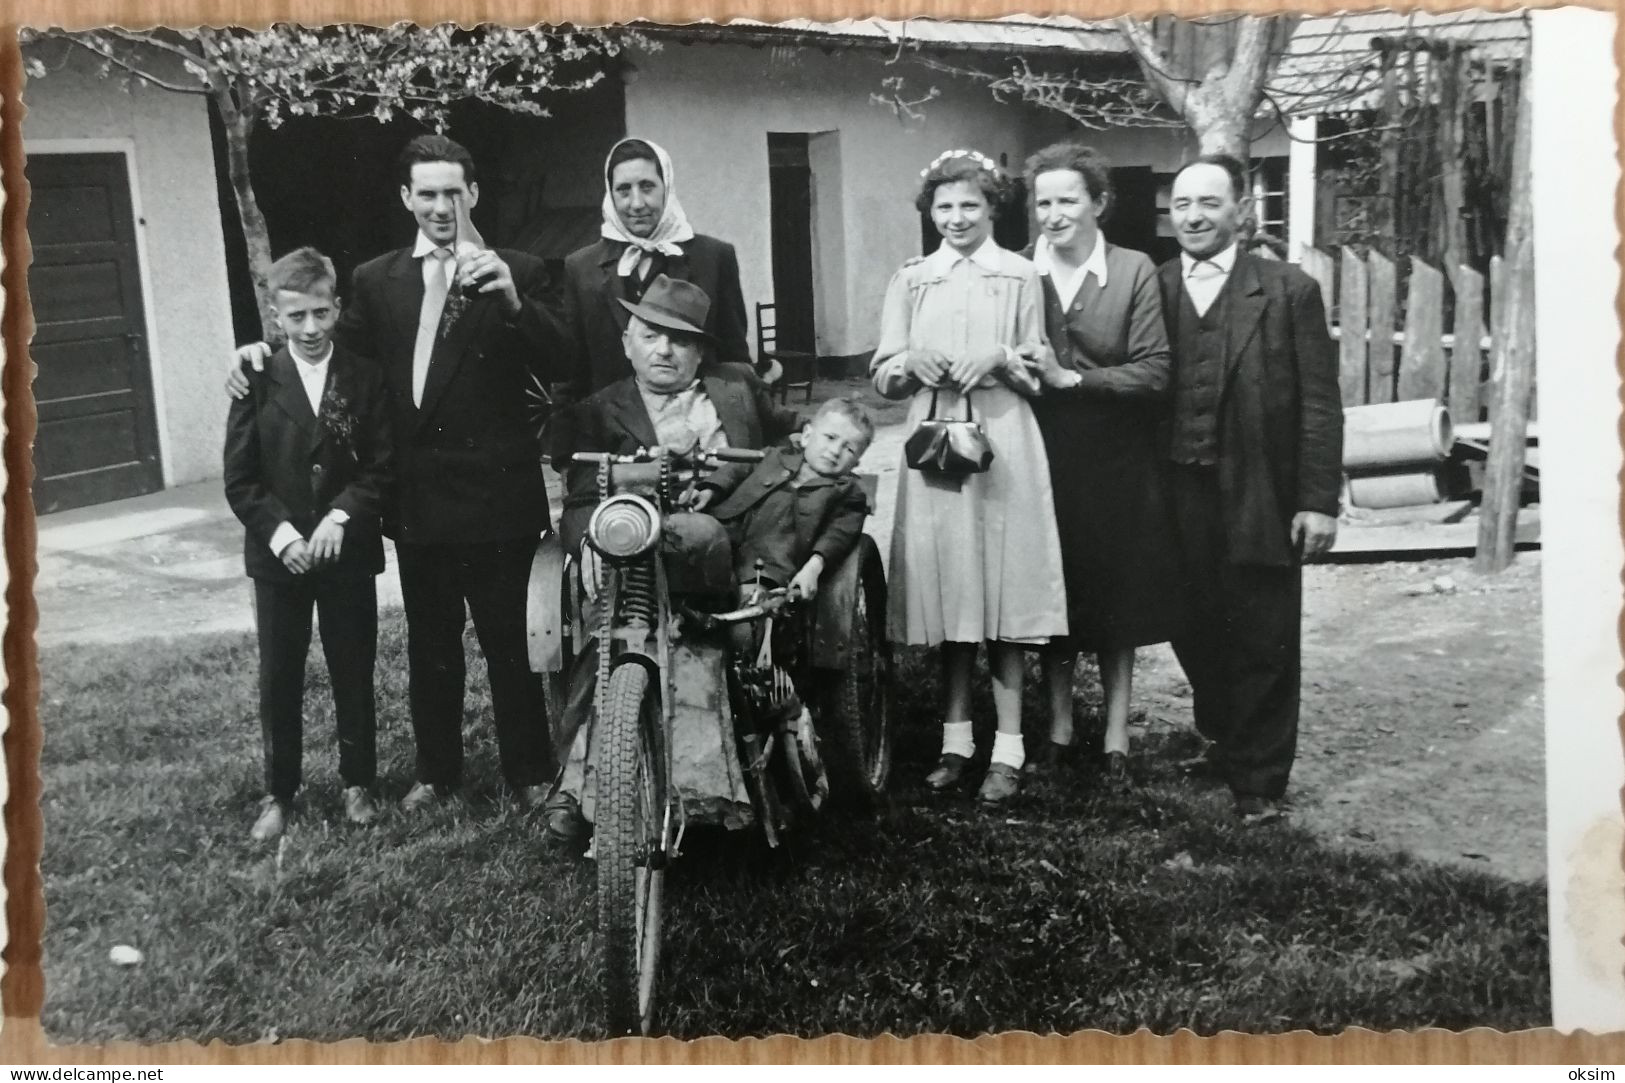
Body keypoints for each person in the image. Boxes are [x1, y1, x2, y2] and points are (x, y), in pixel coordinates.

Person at [227, 134, 567, 812]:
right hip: (420, 499)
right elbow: (327, 354)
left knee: (508, 640)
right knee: (431, 643)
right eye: (427, 193)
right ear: (406, 198)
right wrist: (257, 353)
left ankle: (528, 769)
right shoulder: (377, 279)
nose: (441, 206)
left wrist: (511, 300)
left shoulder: (521, 269)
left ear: (473, 194)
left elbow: (562, 357)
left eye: (453, 192)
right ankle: (436, 772)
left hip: (499, 494)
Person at [545, 273, 799, 843]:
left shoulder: (736, 388)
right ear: (627, 342)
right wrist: (590, 537)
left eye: (681, 339)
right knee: (601, 634)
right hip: (631, 565)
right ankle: (575, 782)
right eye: (651, 335)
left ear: (702, 350)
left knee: (713, 566)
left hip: (729, 561)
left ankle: (755, 760)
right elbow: (580, 496)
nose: (665, 350)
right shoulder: (600, 410)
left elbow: (792, 443)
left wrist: (733, 474)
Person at [871, 148, 1067, 808]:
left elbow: (1040, 368)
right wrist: (909, 359)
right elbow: (882, 371)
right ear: (928, 212)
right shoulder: (912, 279)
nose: (955, 218)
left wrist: (1003, 355)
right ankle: (955, 744)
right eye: (943, 206)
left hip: (1003, 438)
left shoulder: (1018, 276)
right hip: (934, 444)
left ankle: (1007, 748)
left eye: (969, 206)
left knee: (1002, 594)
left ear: (992, 209)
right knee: (953, 590)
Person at [1156, 154, 1343, 819]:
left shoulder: (1288, 290)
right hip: (1175, 487)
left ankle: (1258, 780)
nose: (1193, 216)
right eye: (1181, 204)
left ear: (1241, 211)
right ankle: (1225, 736)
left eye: (1208, 203)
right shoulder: (1155, 287)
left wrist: (1317, 500)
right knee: (1189, 621)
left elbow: (1319, 402)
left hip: (1258, 488)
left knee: (1261, 630)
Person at [1016, 143, 1187, 786]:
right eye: (1043, 202)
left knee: (1116, 597)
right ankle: (1058, 728)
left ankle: (1116, 735)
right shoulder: (1019, 273)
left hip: (1115, 454)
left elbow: (1156, 369)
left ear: (1098, 203)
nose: (1054, 215)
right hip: (1038, 450)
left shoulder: (1134, 269)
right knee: (1053, 591)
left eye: (1068, 200)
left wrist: (1071, 380)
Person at [223, 247, 393, 841]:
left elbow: (381, 466)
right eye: (296, 318)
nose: (311, 329)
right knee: (281, 674)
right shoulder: (256, 377)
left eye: (321, 313)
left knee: (353, 666)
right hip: (280, 561)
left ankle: (358, 782)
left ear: (338, 306)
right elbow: (240, 479)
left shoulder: (364, 375)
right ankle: (279, 791)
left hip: (345, 553)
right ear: (275, 316)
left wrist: (342, 516)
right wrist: (282, 535)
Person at [559, 137, 753, 398]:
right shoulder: (581, 267)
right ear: (610, 194)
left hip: (695, 426)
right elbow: (574, 372)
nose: (637, 203)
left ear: (667, 187)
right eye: (624, 190)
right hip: (610, 429)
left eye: (647, 186)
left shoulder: (714, 257)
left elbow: (734, 361)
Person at [707, 396, 874, 603]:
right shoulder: (774, 456)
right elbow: (735, 470)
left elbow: (837, 535)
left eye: (849, 449)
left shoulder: (848, 493)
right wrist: (709, 489)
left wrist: (813, 568)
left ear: (856, 463)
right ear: (806, 436)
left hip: (767, 563)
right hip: (721, 531)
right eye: (830, 437)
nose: (834, 451)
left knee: (746, 617)